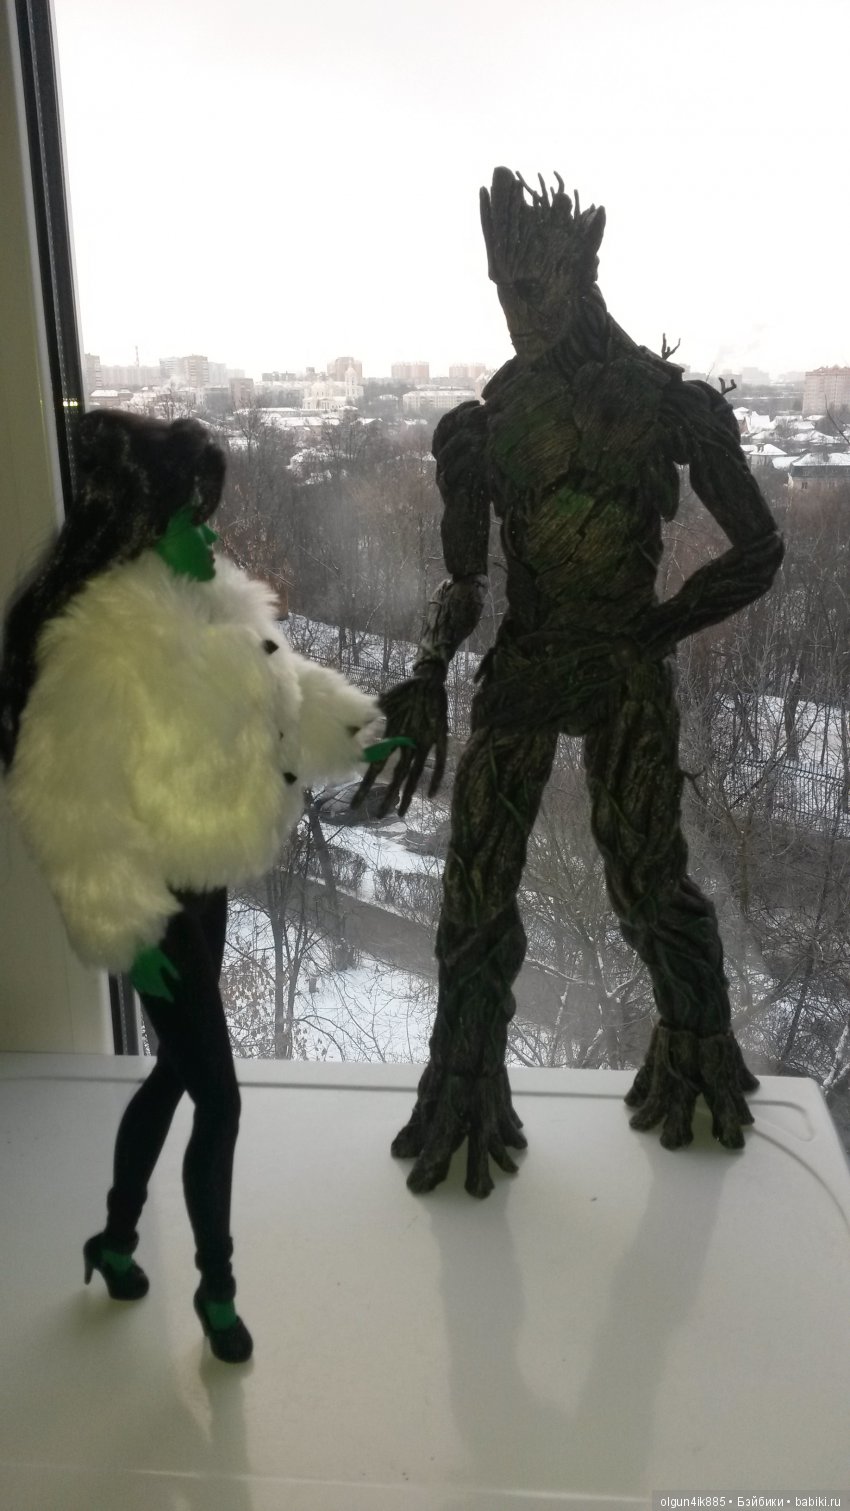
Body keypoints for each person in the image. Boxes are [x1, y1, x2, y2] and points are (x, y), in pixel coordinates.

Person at [1, 409, 381, 1360]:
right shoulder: (101, 647)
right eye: (189, 518)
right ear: (142, 525)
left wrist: (359, 730)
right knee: (220, 1098)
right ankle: (216, 1287)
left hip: (206, 881)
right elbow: (70, 806)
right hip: (154, 905)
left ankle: (114, 1238)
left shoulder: (217, 605)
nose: (209, 536)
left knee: (177, 1070)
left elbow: (286, 690)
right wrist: (125, 934)